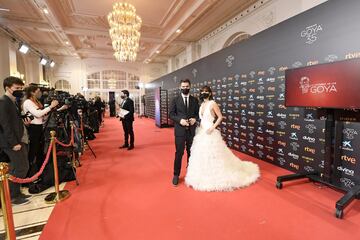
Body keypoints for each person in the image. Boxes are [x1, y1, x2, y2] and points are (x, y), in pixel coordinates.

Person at [185, 86, 260, 191]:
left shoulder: (213, 103)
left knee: (214, 155)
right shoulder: (201, 104)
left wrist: (213, 127)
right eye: (202, 91)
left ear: (210, 93)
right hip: (201, 132)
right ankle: (203, 176)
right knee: (202, 155)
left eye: (206, 91)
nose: (204, 93)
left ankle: (215, 176)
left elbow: (220, 117)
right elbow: (201, 119)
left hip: (210, 132)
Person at [0, 76, 31, 205]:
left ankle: (15, 192)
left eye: (21, 88)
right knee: (20, 168)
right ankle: (13, 196)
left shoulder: (13, 101)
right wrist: (14, 143)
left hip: (19, 139)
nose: (20, 90)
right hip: (12, 142)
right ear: (8, 88)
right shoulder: (3, 102)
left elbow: (15, 121)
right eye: (17, 88)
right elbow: (5, 124)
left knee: (19, 167)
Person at [169, 79, 199, 186]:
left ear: (190, 87)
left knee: (191, 153)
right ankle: (176, 175)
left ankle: (191, 174)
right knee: (179, 153)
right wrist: (180, 120)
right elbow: (171, 114)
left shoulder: (195, 100)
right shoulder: (175, 100)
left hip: (191, 131)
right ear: (180, 87)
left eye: (187, 86)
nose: (185, 88)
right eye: (183, 86)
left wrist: (195, 119)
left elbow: (197, 114)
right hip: (180, 132)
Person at [23, 85, 58, 175]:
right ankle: (29, 174)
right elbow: (38, 114)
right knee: (33, 151)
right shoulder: (28, 102)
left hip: (39, 127)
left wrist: (50, 110)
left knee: (40, 151)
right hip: (33, 128)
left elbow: (41, 115)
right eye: (38, 91)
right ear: (32, 92)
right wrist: (50, 107)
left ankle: (41, 172)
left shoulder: (36, 101)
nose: (40, 93)